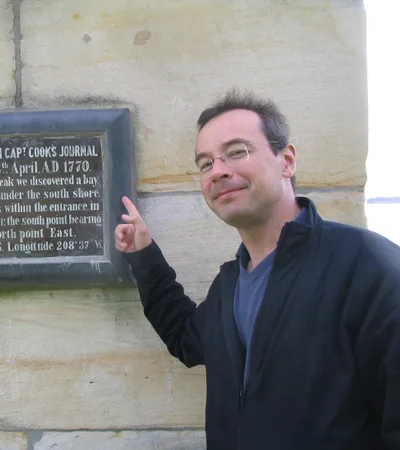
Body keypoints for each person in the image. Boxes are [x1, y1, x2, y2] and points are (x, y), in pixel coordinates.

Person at [115, 90, 400, 450]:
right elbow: (185, 337)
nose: (218, 171)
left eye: (237, 152)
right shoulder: (229, 286)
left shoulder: (367, 265)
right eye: (206, 163)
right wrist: (143, 254)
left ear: (287, 161)